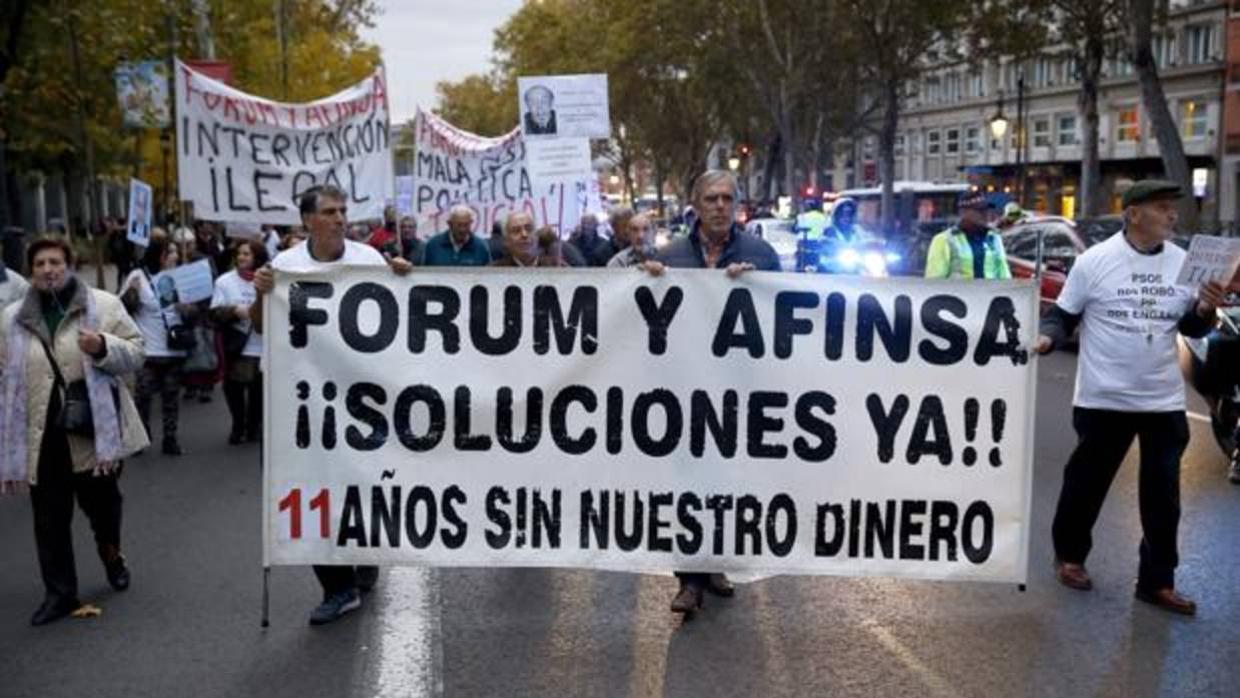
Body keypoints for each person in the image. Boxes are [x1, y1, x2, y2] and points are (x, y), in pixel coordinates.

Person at [1034, 180, 1225, 616]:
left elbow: (1193, 330)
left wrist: (1205, 308)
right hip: (1104, 398)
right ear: (1133, 213)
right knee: (1086, 484)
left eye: (1173, 209)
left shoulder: (1183, 264)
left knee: (1163, 497)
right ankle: (1070, 557)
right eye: (1162, 208)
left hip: (1161, 400)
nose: (1172, 215)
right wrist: (1046, 339)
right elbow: (1062, 314)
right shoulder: (1095, 262)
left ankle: (1157, 581)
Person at [251, 184, 412, 626]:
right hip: (300, 399)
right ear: (307, 221)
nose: (340, 218)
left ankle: (364, 554)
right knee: (308, 486)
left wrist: (407, 279)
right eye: (329, 211)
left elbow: (399, 320)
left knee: (360, 480)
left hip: (361, 397)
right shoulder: (284, 265)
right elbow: (263, 327)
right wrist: (261, 293)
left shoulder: (369, 260)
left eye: (343, 210)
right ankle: (336, 587)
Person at [643, 169, 779, 615]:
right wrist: (650, 282)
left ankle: (715, 564)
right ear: (695, 205)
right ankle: (689, 579)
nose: (720, 206)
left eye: (727, 198)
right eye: (711, 199)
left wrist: (755, 288)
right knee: (685, 483)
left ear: (737, 204)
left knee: (726, 483)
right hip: (682, 391)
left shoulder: (762, 255)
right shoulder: (670, 257)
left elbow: (784, 322)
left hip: (737, 390)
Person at [0, 236, 148, 626]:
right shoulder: (11, 317)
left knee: (103, 508)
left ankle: (110, 551)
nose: (49, 270)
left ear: (69, 265)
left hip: (92, 433)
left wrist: (102, 346)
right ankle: (60, 593)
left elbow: (137, 351)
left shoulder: (103, 305)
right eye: (40, 264)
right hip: (40, 434)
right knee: (49, 519)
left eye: (56, 262)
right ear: (31, 272)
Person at [122, 235, 195, 456]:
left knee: (171, 397)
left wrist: (187, 310)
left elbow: (197, 313)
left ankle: (170, 439)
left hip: (173, 348)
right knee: (143, 396)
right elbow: (122, 309)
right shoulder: (138, 277)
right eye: (170, 251)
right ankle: (141, 437)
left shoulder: (180, 277)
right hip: (148, 351)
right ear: (160, 256)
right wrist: (132, 292)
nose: (175, 255)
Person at [210, 240, 268, 445]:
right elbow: (214, 313)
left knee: (259, 393)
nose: (242, 257)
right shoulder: (224, 282)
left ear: (258, 258)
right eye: (240, 253)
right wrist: (234, 311)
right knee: (233, 388)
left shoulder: (269, 280)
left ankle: (253, 426)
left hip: (264, 346)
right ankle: (238, 424)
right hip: (237, 345)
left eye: (247, 254)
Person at [923, 192, 1012, 280]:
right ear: (963, 213)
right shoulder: (944, 240)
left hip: (990, 294)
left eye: (987, 210)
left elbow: (1004, 275)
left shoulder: (993, 238)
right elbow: (934, 282)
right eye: (980, 211)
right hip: (958, 293)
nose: (986, 215)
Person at [421, 205, 491, 267]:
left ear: (471, 223)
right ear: (449, 224)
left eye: (466, 225)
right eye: (459, 225)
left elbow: (487, 275)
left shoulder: (481, 247)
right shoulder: (433, 245)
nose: (462, 230)